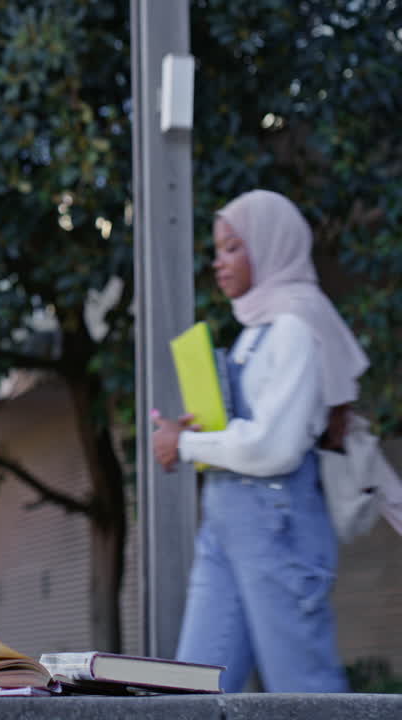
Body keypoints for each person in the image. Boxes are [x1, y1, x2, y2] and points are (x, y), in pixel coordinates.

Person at [152, 189, 368, 693]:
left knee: (304, 693)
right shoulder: (257, 328)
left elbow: (276, 446)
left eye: (231, 247)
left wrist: (186, 447)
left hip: (279, 525)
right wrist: (201, 434)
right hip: (229, 523)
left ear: (271, 246)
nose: (218, 262)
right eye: (216, 250)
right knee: (194, 692)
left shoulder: (295, 325)